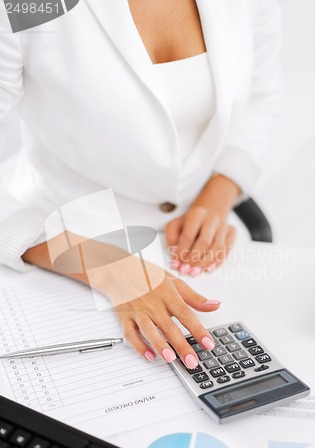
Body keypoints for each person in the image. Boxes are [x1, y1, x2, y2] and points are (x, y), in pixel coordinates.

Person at [0, 0, 282, 368]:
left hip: (191, 249)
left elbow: (261, 101)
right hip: (59, 245)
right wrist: (112, 269)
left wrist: (218, 193)